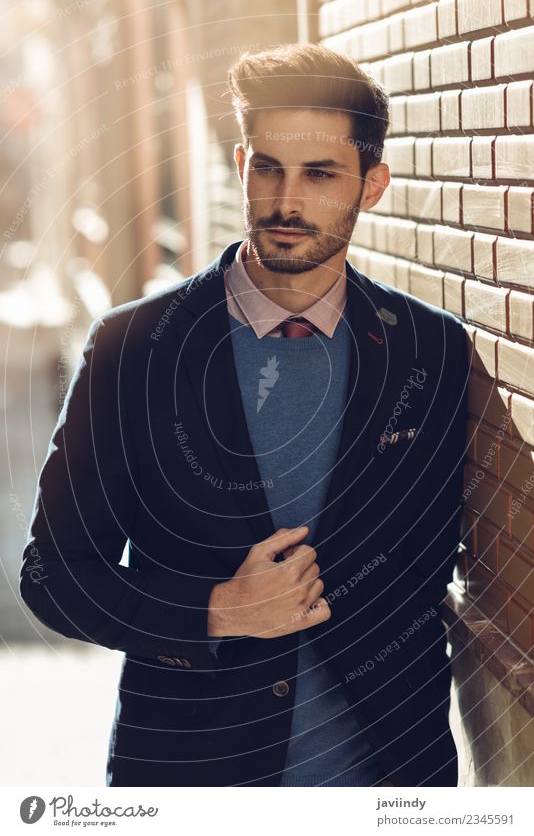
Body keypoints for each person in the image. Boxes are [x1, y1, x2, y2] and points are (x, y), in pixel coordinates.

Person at [20, 43, 469, 787]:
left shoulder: (431, 350)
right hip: (193, 779)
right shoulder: (134, 346)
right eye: (268, 167)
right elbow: (53, 575)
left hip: (391, 783)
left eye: (320, 174)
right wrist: (216, 611)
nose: (286, 201)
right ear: (240, 165)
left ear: (374, 184)